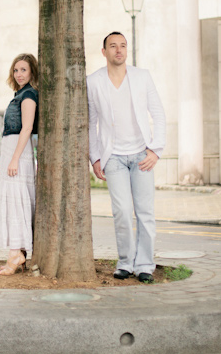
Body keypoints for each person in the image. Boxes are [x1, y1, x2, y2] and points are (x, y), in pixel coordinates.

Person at [88, 32, 165, 283]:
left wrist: (156, 150)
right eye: (113, 46)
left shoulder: (142, 77)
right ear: (104, 52)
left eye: (122, 45)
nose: (118, 50)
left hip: (142, 154)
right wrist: (96, 157)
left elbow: (158, 113)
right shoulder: (94, 81)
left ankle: (144, 265)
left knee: (145, 212)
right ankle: (125, 261)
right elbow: (90, 123)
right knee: (121, 211)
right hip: (114, 158)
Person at [0, 53, 40, 275]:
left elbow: (27, 127)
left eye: (23, 69)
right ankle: (16, 252)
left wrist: (14, 159)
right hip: (12, 150)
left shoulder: (29, 94)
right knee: (13, 202)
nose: (19, 74)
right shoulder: (19, 94)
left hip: (18, 153)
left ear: (32, 72)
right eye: (16, 70)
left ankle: (16, 254)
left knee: (15, 203)